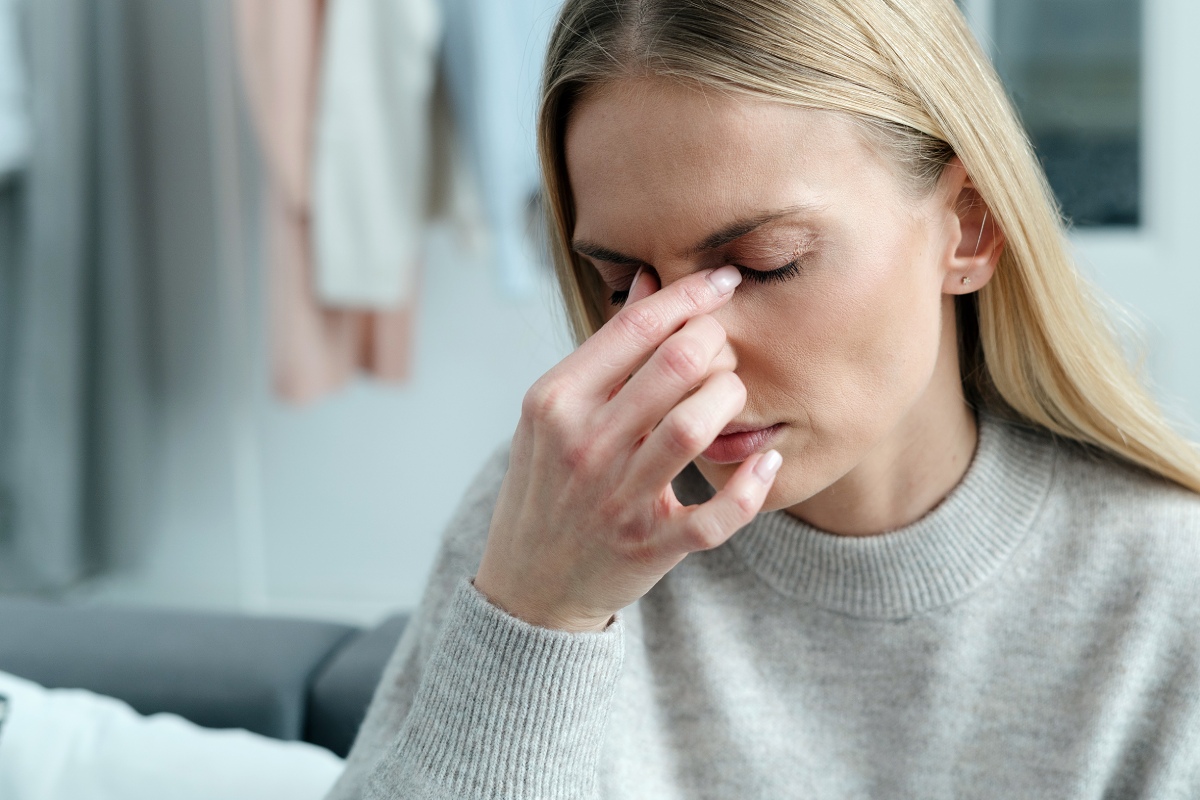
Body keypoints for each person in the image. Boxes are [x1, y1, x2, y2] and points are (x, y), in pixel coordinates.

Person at [326, 0, 1200, 797]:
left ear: (968, 227)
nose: (683, 357)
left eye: (761, 265)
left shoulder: (1164, 596)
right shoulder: (555, 518)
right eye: (622, 280)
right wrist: (539, 617)